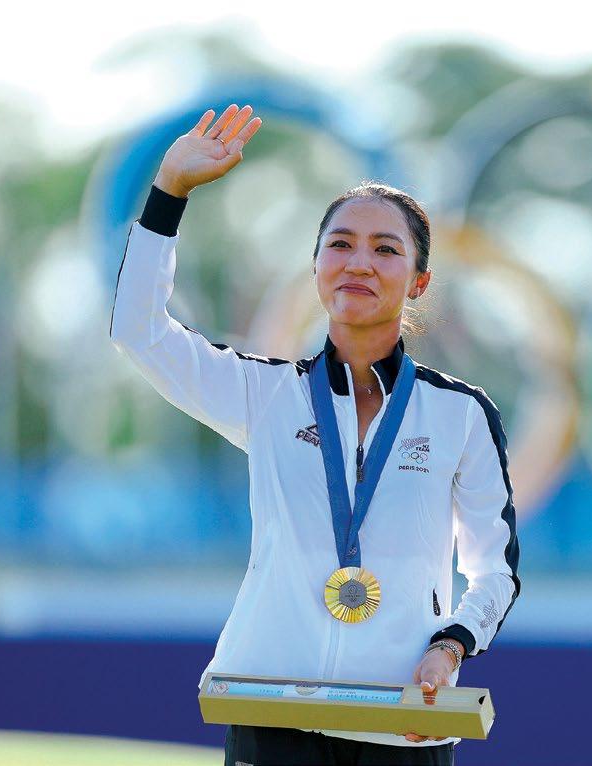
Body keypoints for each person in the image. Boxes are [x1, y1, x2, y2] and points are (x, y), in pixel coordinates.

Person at [108, 104, 520, 766]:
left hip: (403, 722)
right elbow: (138, 330)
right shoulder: (265, 394)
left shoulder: (461, 414)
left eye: (386, 249)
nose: (359, 262)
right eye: (341, 244)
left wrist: (451, 646)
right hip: (270, 713)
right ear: (316, 267)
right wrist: (169, 192)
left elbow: (494, 569)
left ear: (419, 282)